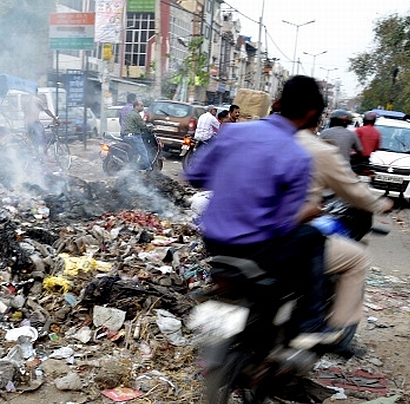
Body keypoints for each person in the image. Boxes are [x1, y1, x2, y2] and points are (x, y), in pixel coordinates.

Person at [185, 75, 338, 349]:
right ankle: (311, 323)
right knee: (314, 238)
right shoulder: (297, 156)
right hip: (258, 249)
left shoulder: (233, 133)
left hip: (214, 241)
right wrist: (309, 212)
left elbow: (195, 176)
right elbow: (283, 224)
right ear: (313, 114)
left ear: (277, 103)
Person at [295, 126, 393, 356]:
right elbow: (352, 188)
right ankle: (331, 331)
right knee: (349, 255)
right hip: (281, 235)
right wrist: (380, 204)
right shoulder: (321, 147)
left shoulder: (260, 139)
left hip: (232, 238)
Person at [23, 89, 58, 155]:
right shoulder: (37, 100)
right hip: (35, 122)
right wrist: (55, 119)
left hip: (27, 124)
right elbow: (46, 110)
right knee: (43, 139)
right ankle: (45, 155)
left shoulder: (25, 100)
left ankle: (37, 156)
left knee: (33, 141)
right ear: (36, 92)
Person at [122, 101, 152, 171]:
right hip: (134, 136)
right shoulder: (136, 115)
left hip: (127, 136)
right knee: (144, 152)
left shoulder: (130, 114)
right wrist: (151, 129)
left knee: (134, 152)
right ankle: (149, 168)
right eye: (141, 106)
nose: (142, 107)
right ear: (136, 106)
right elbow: (142, 126)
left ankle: (133, 166)